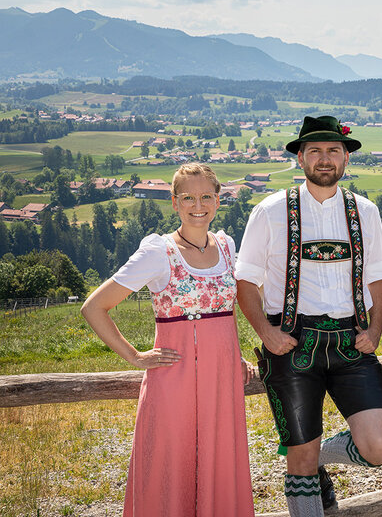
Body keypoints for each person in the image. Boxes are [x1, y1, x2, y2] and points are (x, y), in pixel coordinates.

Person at [236, 116, 382, 517]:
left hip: (351, 342)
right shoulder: (270, 211)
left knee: (381, 449)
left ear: (346, 158)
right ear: (300, 159)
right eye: (315, 152)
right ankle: (307, 458)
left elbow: (378, 277)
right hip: (291, 343)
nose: (324, 159)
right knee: (300, 462)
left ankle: (317, 452)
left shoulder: (366, 211)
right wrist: (266, 333)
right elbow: (245, 281)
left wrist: (376, 328)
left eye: (333, 151)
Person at [81, 163, 255, 516]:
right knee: (169, 463)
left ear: (218, 200)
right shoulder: (158, 252)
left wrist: (234, 356)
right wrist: (134, 357)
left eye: (207, 196)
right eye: (188, 197)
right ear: (175, 203)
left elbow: (226, 314)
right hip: (174, 380)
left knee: (219, 460)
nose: (198, 205)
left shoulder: (226, 245)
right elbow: (94, 307)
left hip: (222, 380)